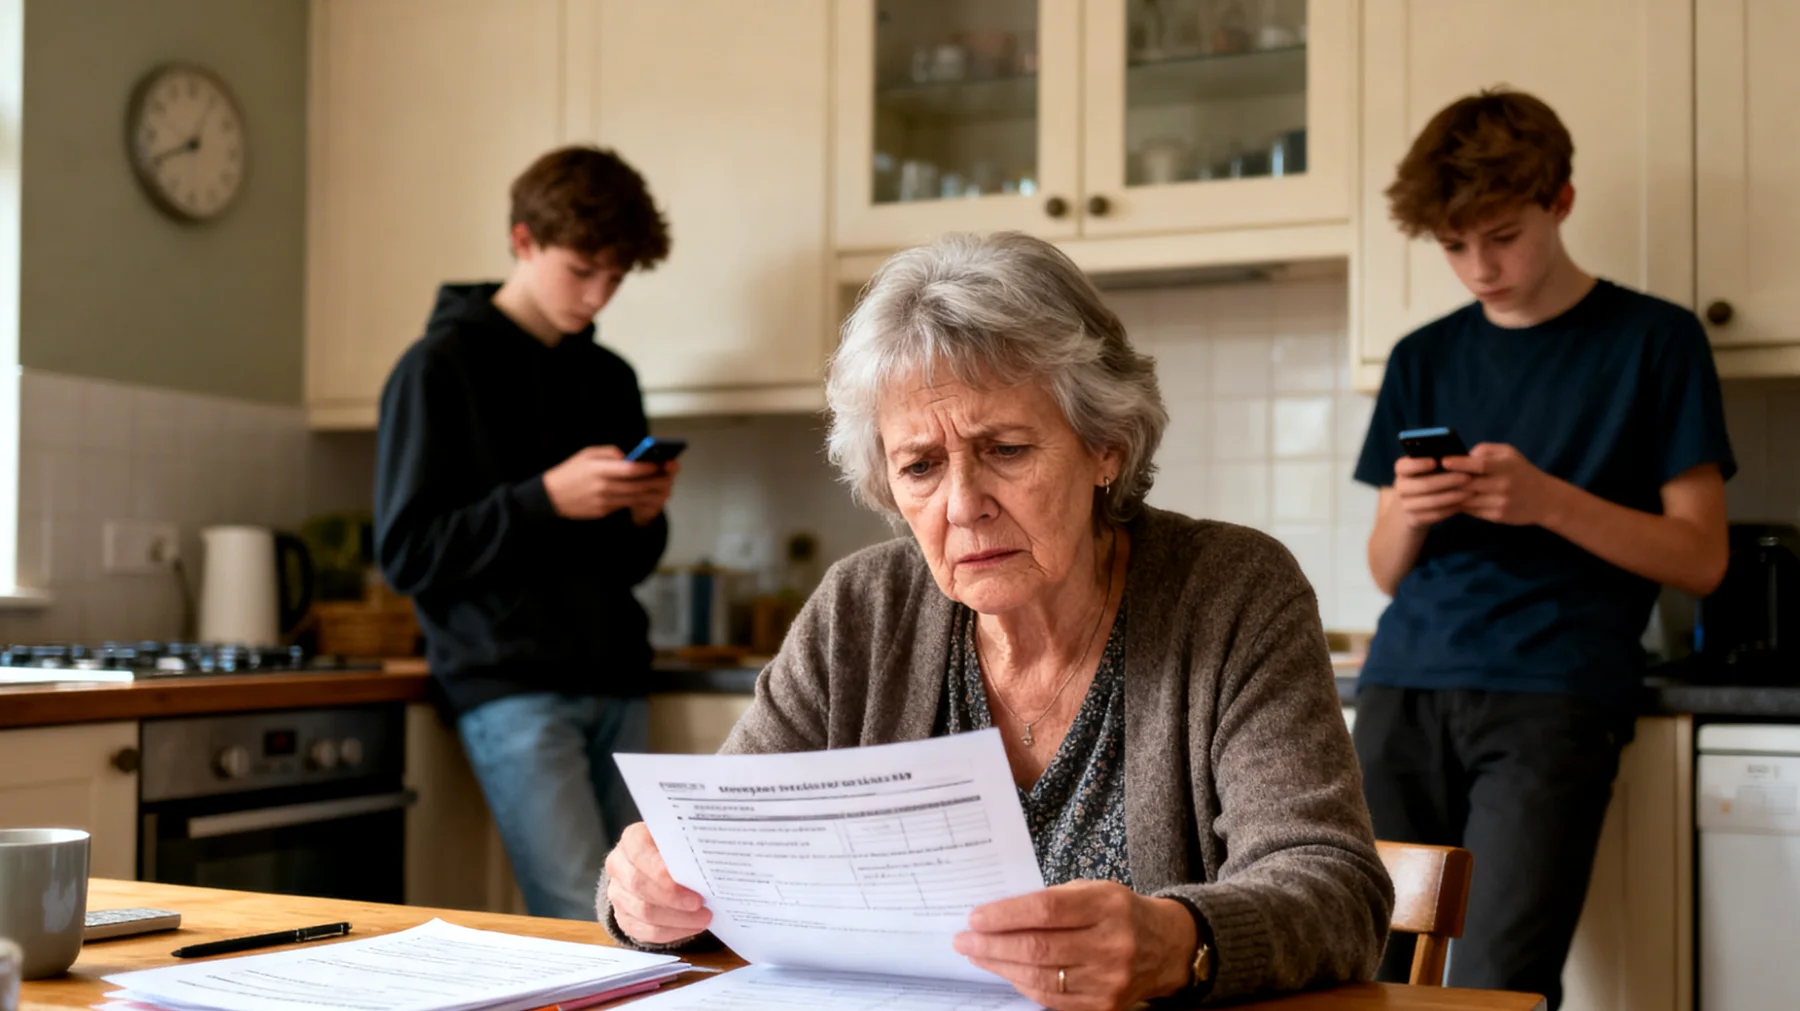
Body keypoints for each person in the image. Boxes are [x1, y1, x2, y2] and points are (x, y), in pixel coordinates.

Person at [596, 232, 1393, 1010]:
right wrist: (641, 896)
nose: (962, 504)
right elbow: (712, 849)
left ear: (1104, 446)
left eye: (1006, 449)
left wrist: (1174, 940)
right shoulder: (860, 610)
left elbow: (1334, 886)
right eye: (920, 465)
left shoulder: (1231, 593)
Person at [1353, 89, 1734, 1007]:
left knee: (1497, 981)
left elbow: (1701, 559)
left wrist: (1549, 501)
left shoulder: (1657, 341)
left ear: (1560, 200)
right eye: (1453, 246)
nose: (1479, 266)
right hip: (1403, 689)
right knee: (1359, 966)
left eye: (1501, 235)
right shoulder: (1419, 356)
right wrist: (1410, 508)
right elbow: (1383, 569)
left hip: (1551, 695)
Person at [374, 145, 677, 921]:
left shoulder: (611, 377)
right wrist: (544, 499)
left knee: (672, 918)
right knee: (587, 918)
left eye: (616, 277)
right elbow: (408, 553)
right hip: (510, 689)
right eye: (583, 271)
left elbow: (630, 561)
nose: (598, 296)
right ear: (522, 241)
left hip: (617, 678)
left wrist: (643, 516)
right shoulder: (436, 369)